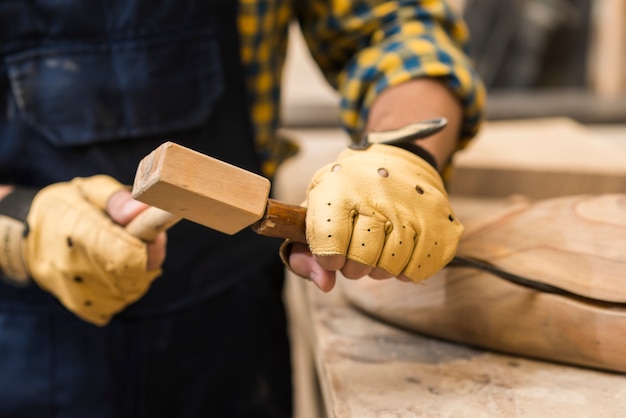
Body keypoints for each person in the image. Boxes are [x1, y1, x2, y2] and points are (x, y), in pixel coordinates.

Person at [0, 0, 485, 417]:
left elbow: (397, 27)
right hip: (26, 336)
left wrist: (404, 156)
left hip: (232, 326)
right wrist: (19, 222)